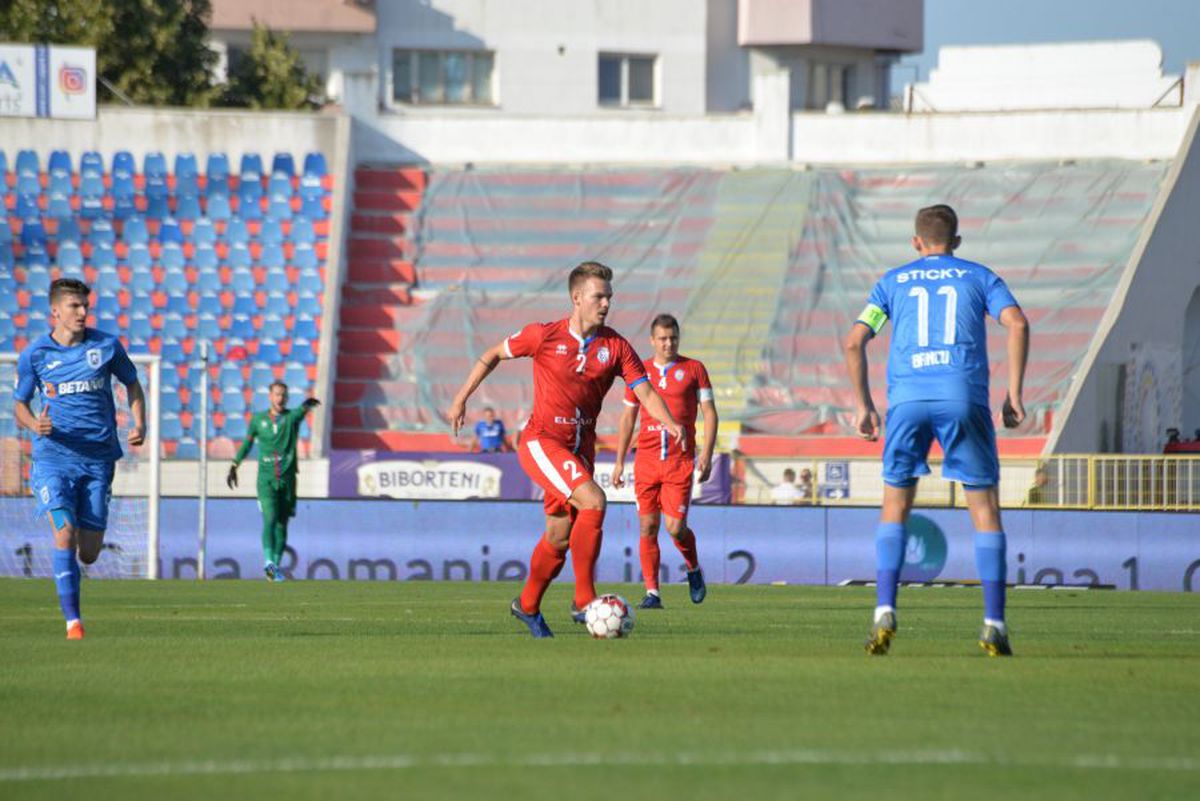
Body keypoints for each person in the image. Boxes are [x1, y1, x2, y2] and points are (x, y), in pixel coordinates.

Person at [448, 261, 682, 638]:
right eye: (598, 296)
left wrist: (669, 421)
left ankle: (526, 606)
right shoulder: (543, 335)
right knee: (594, 500)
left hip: (579, 450)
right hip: (542, 441)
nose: (606, 303)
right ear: (577, 298)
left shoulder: (617, 346)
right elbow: (492, 353)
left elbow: (646, 391)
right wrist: (461, 399)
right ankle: (583, 599)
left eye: (609, 296)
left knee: (558, 537)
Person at [844, 203, 1029, 657]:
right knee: (984, 510)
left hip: (906, 401)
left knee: (895, 506)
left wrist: (865, 405)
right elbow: (1018, 323)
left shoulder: (893, 281)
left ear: (915, 243)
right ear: (957, 242)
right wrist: (1014, 394)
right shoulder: (979, 276)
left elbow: (854, 341)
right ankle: (993, 623)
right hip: (962, 395)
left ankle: (884, 610)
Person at [13, 278, 146, 640]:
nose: (83, 313)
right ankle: (73, 622)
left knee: (89, 553)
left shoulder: (105, 345)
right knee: (65, 534)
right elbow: (20, 406)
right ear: (55, 311)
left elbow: (132, 383)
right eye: (75, 306)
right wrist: (33, 424)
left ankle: (75, 599)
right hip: (53, 458)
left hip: (98, 459)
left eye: (85, 306)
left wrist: (140, 422)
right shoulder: (36, 354)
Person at [611, 313, 717, 610]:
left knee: (674, 528)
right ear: (652, 340)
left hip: (678, 461)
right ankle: (652, 593)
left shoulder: (694, 369)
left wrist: (706, 454)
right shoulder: (639, 370)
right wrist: (619, 461)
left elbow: (709, 412)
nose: (668, 343)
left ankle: (693, 568)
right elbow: (628, 417)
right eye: (662, 339)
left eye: (673, 338)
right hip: (645, 460)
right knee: (647, 526)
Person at [226, 382, 321, 581]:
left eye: (283, 395)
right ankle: (268, 563)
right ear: (270, 396)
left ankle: (274, 568)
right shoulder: (258, 420)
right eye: (277, 394)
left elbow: (301, 410)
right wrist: (235, 465)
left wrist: (307, 404)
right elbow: (247, 443)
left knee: (282, 525)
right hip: (266, 480)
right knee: (269, 518)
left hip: (287, 480)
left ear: (287, 398)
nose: (280, 398)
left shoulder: (291, 418)